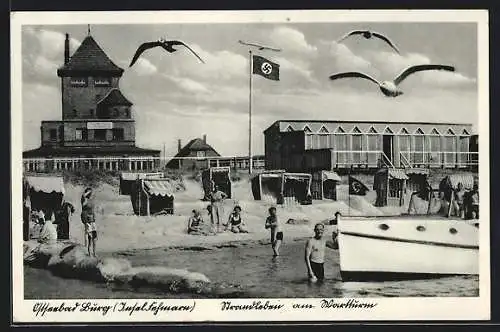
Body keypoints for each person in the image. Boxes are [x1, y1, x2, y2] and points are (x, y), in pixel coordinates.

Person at [81, 187, 97, 257]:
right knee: (89, 238)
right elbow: (83, 196)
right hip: (87, 220)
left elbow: (93, 210)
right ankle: (89, 253)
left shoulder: (91, 200)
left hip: (92, 220)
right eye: (90, 193)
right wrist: (88, 192)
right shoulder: (84, 200)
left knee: (95, 238)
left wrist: (94, 217)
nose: (91, 194)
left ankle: (94, 253)